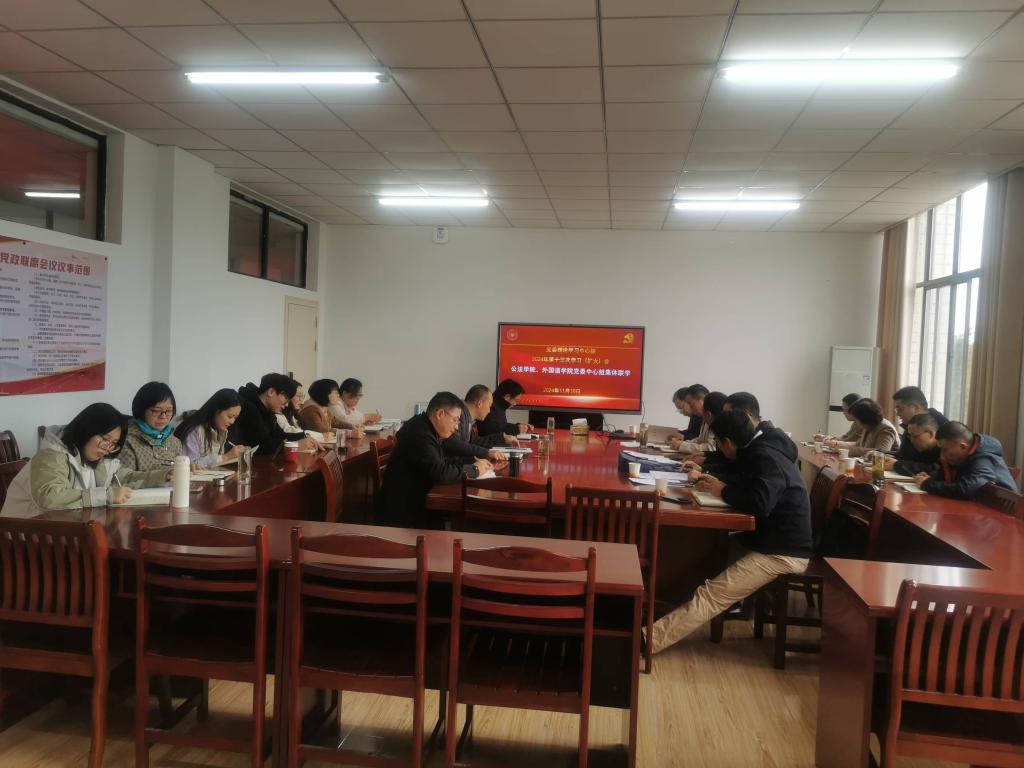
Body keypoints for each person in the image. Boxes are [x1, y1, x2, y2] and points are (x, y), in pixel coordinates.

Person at [650, 409, 812, 654]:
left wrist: (722, 490)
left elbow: (760, 502)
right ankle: (659, 612)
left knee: (712, 595)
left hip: (782, 552)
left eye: (717, 442)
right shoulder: (760, 450)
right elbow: (748, 485)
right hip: (765, 540)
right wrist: (715, 481)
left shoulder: (765, 457)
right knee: (700, 553)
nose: (718, 447)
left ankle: (646, 642)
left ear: (727, 442)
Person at [2, 403, 170, 517]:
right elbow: (49, 497)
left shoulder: (98, 457)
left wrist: (163, 476)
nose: (107, 447)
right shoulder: (51, 456)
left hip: (56, 534)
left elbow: (124, 477)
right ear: (86, 429)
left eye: (114, 444)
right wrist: (105, 495)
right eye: (105, 438)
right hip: (20, 541)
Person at [378, 392, 493, 528]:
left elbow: (443, 461)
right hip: (405, 514)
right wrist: (474, 470)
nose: (457, 427)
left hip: (416, 502)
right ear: (440, 414)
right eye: (455, 420)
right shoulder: (420, 434)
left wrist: (471, 463)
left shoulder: (426, 426)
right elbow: (441, 473)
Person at [912, 421, 1016, 499]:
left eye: (945, 449)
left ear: (963, 447)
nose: (942, 454)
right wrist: (930, 477)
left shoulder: (983, 459)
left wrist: (927, 484)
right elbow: (946, 475)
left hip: (1001, 515)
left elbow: (966, 489)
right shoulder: (961, 455)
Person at [231, 373, 316, 456]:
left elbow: (281, 435)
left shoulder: (267, 411)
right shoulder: (248, 409)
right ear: (271, 392)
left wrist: (304, 437)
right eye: (286, 398)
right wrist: (296, 445)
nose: (287, 405)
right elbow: (263, 446)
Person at [118, 381, 185, 471]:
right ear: (141, 410)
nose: (163, 416)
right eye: (156, 411)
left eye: (169, 411)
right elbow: (125, 477)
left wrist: (187, 468)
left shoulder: (175, 442)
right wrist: (162, 475)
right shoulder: (127, 440)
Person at [174, 389, 246, 469]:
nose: (232, 422)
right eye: (229, 416)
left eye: (235, 418)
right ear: (216, 410)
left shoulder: (220, 429)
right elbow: (191, 464)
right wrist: (226, 457)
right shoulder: (194, 431)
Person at [442, 385, 514, 464]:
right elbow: (455, 444)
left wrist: (501, 438)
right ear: (479, 404)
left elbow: (473, 441)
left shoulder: (467, 416)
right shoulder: (459, 414)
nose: (489, 411)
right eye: (489, 406)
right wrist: (487, 453)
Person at [891, 385, 948, 465]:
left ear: (915, 407)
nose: (897, 414)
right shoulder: (911, 425)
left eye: (900, 409)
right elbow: (904, 456)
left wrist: (896, 465)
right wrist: (881, 454)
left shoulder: (944, 430)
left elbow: (934, 468)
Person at [826, 398, 900, 457]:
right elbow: (857, 444)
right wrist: (838, 445)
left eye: (856, 419)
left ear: (865, 418)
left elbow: (880, 452)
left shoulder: (886, 429)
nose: (856, 423)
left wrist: (847, 450)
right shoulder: (869, 426)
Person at [667, 385, 716, 454]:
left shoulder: (714, 415)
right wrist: (681, 444)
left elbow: (711, 448)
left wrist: (681, 445)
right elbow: (700, 439)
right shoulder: (703, 415)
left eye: (690, 403)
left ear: (702, 399)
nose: (690, 408)